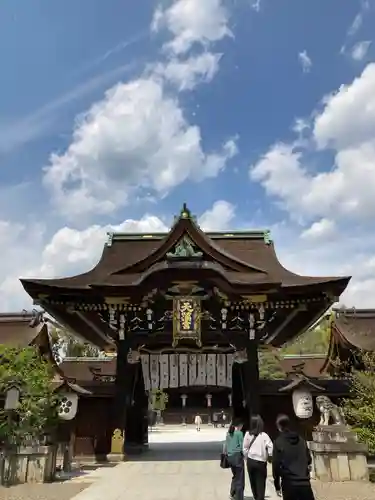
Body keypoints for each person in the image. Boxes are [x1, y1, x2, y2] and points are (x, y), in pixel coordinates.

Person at [272, 414, 315, 500]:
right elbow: (308, 459)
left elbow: (276, 465)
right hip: (304, 483)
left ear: (278, 426)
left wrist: (277, 485)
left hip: (289, 484)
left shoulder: (278, 442)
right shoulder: (301, 439)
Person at [243, 414, 273, 500]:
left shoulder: (248, 434)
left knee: (253, 483)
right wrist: (270, 456)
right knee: (261, 483)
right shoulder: (264, 435)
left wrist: (246, 458)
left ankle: (256, 497)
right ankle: (260, 498)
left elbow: (244, 448)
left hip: (251, 461)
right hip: (261, 462)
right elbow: (271, 446)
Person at [224, 418, 244, 500]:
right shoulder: (239, 433)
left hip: (230, 457)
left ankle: (232, 492)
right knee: (240, 477)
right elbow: (242, 446)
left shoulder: (228, 433)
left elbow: (226, 446)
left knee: (235, 475)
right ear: (239, 425)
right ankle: (239, 496)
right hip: (237, 457)